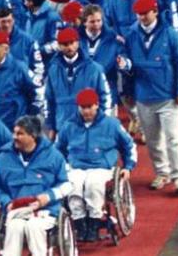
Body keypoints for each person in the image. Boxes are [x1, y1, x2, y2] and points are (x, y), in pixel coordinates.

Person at [119, 0, 178, 195]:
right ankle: (162, 172)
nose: (142, 17)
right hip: (144, 97)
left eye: (145, 13)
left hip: (168, 96)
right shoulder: (131, 35)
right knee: (152, 140)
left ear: (155, 11)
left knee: (173, 138)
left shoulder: (171, 34)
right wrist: (127, 76)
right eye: (139, 14)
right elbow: (127, 62)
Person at [55, 88, 136, 242]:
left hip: (102, 167)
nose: (86, 111)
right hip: (76, 167)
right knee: (74, 185)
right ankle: (80, 223)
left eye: (89, 107)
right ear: (78, 107)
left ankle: (94, 222)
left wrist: (128, 166)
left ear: (97, 105)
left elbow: (129, 146)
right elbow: (57, 150)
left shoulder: (111, 124)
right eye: (82, 107)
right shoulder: (68, 125)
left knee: (94, 184)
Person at [0, 116, 73, 256]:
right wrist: (6, 203)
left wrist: (48, 196)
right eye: (14, 132)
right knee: (15, 226)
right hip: (16, 210)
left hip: (46, 210)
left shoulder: (53, 156)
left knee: (34, 226)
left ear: (32, 136)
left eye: (20, 133)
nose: (14, 137)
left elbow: (67, 185)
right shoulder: (3, 157)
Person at [45, 27, 113, 136]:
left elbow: (105, 97)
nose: (69, 47)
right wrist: (51, 126)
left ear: (78, 43)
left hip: (89, 127)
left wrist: (103, 124)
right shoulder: (52, 70)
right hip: (62, 127)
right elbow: (49, 100)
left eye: (72, 43)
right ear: (59, 46)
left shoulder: (95, 69)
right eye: (65, 44)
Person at [0, 31, 45, 130]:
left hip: (15, 127)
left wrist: (31, 116)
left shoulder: (19, 68)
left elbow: (38, 91)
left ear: (6, 49)